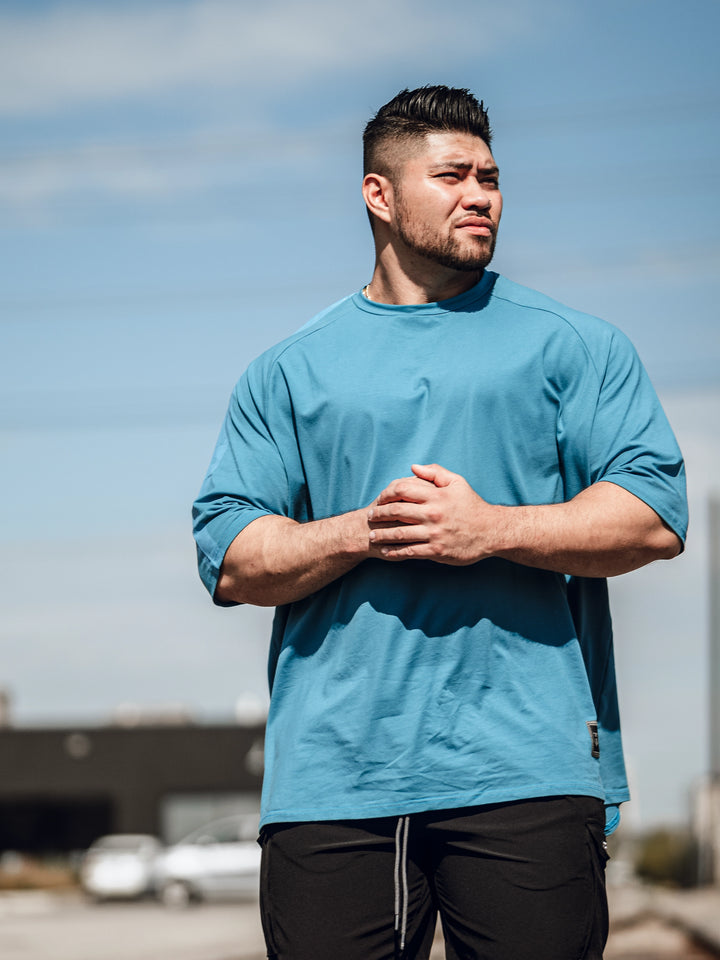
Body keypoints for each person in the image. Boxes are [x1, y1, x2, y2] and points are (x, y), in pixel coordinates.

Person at [193, 86, 688, 960]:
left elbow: (651, 516)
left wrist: (490, 528)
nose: (481, 196)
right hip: (332, 783)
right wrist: (360, 531)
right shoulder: (290, 370)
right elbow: (232, 559)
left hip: (527, 771)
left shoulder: (575, 345)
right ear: (378, 196)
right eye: (452, 174)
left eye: (491, 177)